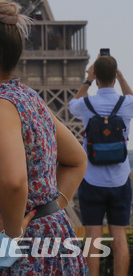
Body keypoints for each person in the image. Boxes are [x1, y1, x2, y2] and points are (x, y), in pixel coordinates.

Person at [0, 0, 88, 274]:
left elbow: (13, 181)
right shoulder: (29, 98)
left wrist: (12, 236)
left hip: (23, 253)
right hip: (55, 236)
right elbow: (77, 160)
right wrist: (47, 210)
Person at [70, 55, 133, 276]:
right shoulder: (127, 103)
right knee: (119, 239)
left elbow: (71, 105)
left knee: (93, 239)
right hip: (120, 180)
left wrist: (87, 81)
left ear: (96, 76)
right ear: (115, 76)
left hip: (92, 181)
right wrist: (122, 78)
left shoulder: (86, 104)